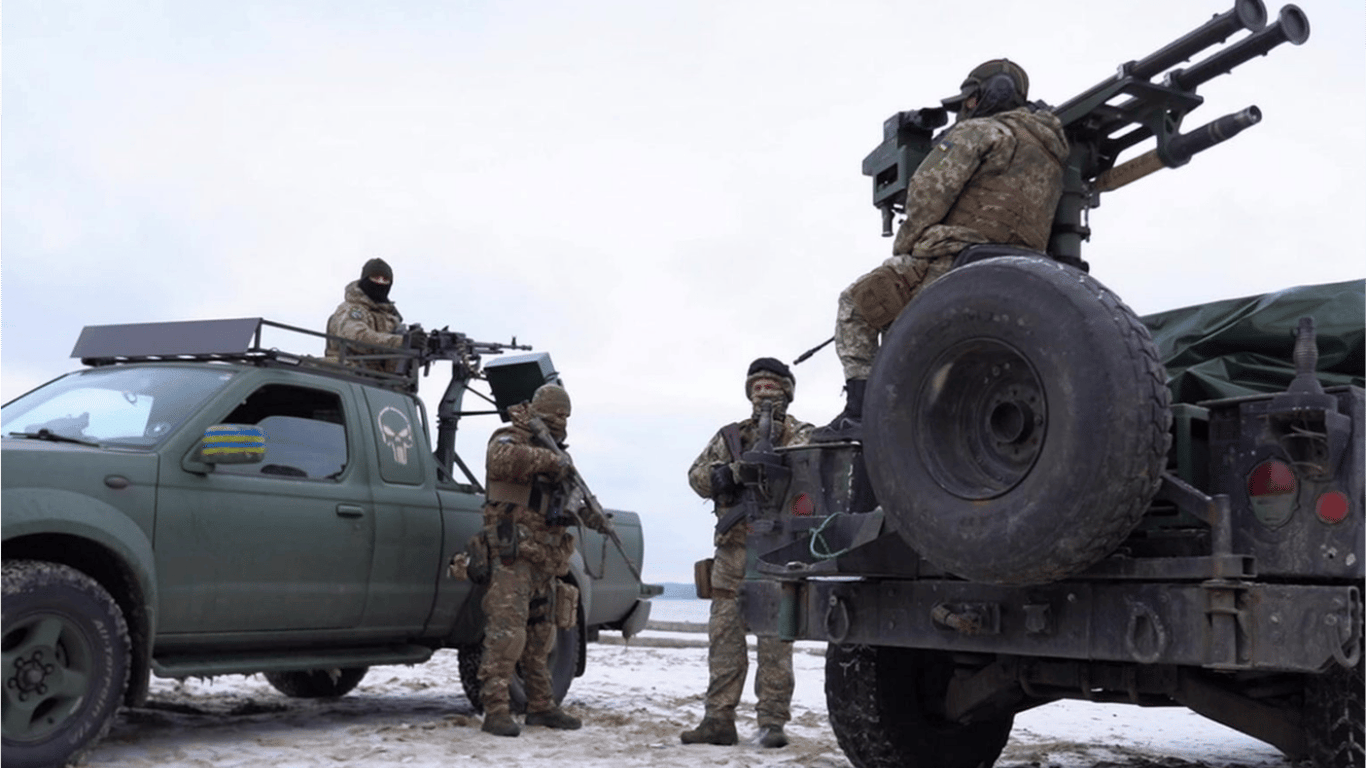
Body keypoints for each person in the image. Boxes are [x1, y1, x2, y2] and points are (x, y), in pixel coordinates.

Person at [813, 59, 1069, 442]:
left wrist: (905, 248)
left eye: (968, 100)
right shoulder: (1053, 153)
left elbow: (928, 195)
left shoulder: (979, 132)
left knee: (857, 304)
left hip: (955, 261)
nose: (965, 109)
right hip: (1022, 270)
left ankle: (859, 414)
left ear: (987, 96)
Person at [681, 358, 813, 748]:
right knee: (725, 640)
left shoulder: (802, 435)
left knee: (774, 645)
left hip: (779, 552)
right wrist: (729, 474)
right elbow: (696, 477)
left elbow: (818, 481)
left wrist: (781, 466)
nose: (765, 395)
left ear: (787, 393)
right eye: (759, 387)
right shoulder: (731, 437)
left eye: (773, 387)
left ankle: (772, 722)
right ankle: (718, 719)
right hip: (733, 553)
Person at [477, 383, 612, 737]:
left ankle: (541, 706)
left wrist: (592, 517)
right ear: (539, 411)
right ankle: (495, 709)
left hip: (545, 557)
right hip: (515, 555)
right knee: (506, 636)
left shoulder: (557, 453)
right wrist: (553, 462)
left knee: (541, 638)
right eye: (556, 413)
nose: (561, 421)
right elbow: (500, 460)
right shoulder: (511, 438)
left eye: (567, 415)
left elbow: (565, 503)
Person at [325, 257, 411, 371]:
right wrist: (401, 342)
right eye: (376, 278)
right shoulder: (352, 309)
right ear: (365, 280)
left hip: (381, 380)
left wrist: (420, 346)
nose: (380, 283)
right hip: (350, 373)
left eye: (385, 280)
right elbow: (357, 338)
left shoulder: (390, 318)